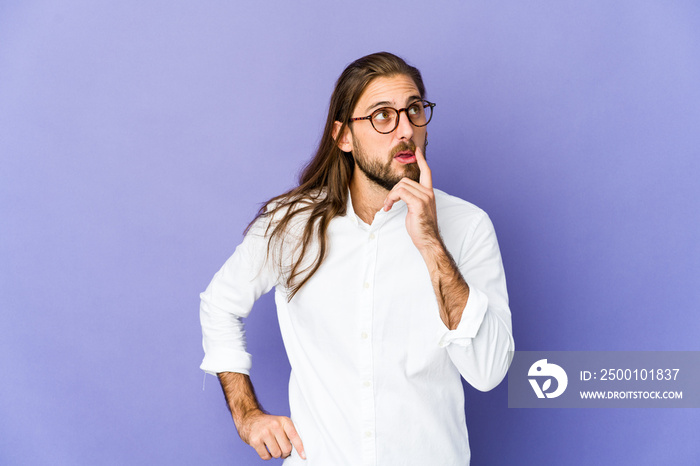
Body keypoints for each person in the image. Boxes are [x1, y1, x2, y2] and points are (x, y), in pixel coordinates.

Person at [200, 51, 514, 465]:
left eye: (414, 110)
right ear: (343, 136)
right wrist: (247, 415)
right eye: (383, 116)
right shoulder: (291, 224)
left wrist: (432, 244)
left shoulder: (468, 226)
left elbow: (488, 371)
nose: (406, 130)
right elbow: (219, 304)